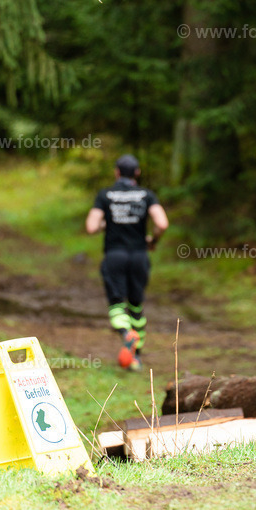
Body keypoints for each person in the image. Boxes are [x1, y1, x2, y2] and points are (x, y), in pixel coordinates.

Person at [86, 154, 169, 371]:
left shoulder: (105, 195)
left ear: (116, 172)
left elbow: (91, 227)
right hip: (139, 256)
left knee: (116, 304)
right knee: (136, 305)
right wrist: (153, 240)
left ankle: (126, 334)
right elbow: (162, 223)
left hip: (115, 256)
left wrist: (107, 223)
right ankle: (137, 357)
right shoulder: (147, 195)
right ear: (137, 173)